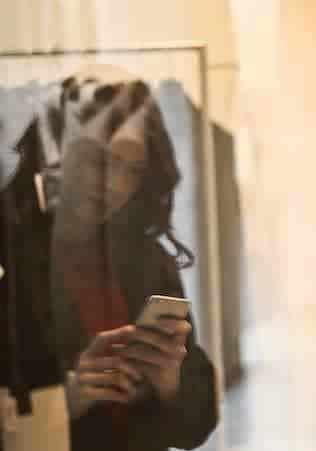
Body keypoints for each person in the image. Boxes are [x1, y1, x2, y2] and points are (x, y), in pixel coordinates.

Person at [46, 77, 218, 450]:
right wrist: (66, 403)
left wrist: (171, 384)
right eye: (98, 159)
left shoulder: (147, 259)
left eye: (130, 168)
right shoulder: (20, 255)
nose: (111, 182)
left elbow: (197, 425)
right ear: (65, 153)